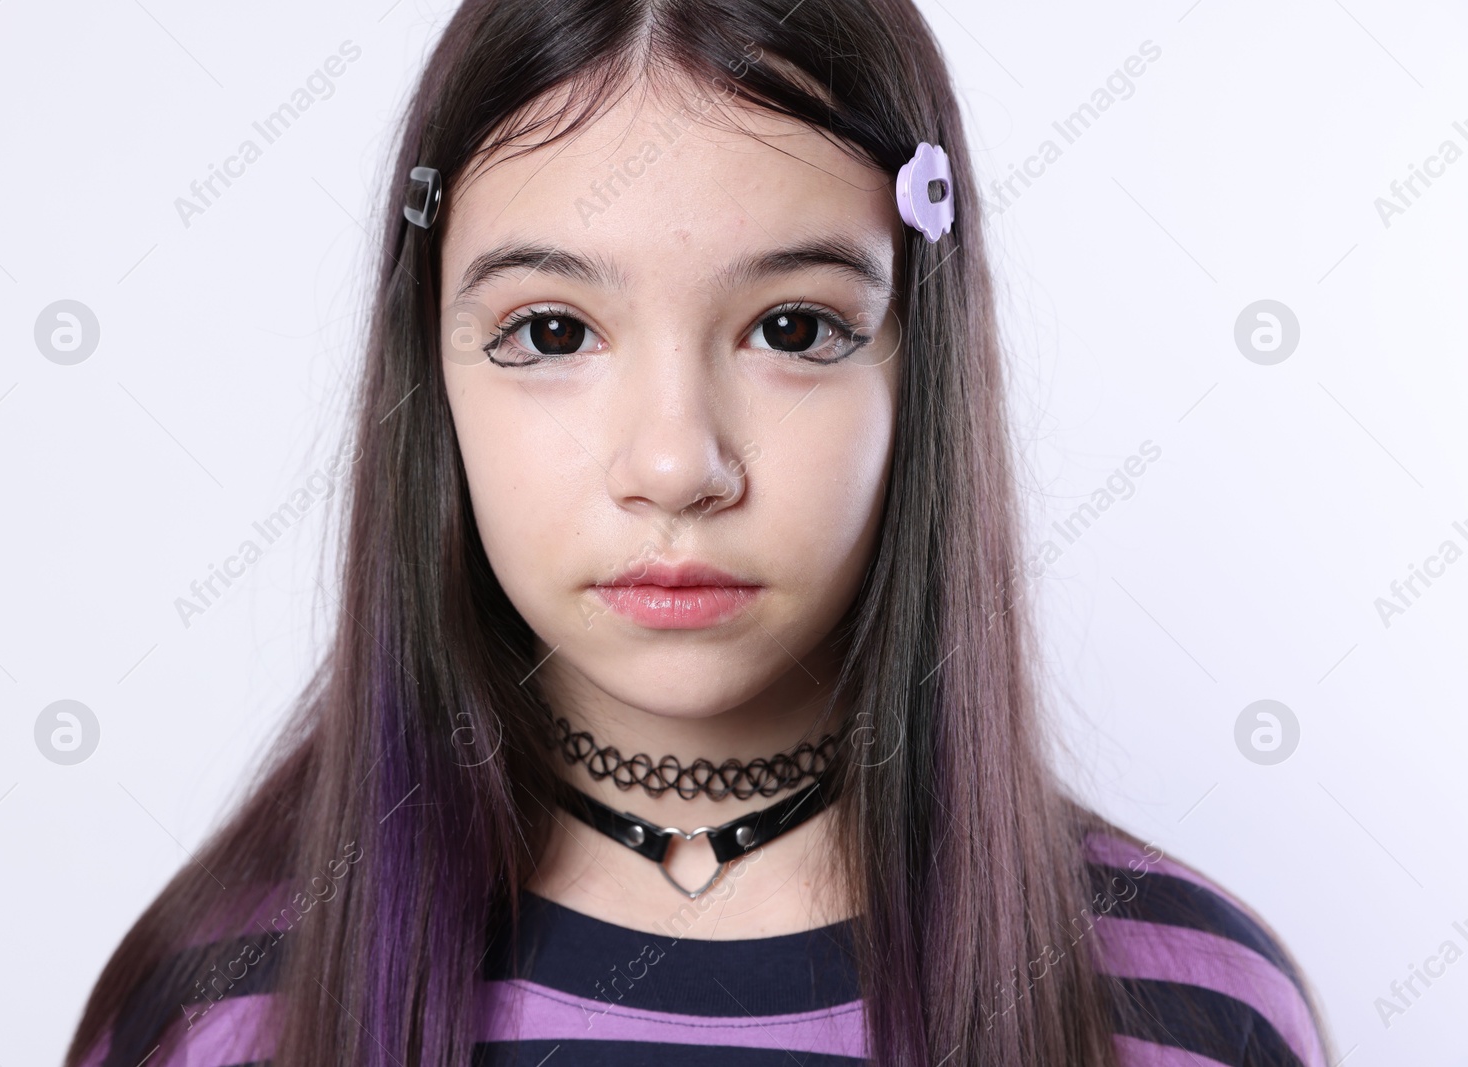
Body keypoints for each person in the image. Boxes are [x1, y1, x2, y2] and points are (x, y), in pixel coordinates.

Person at [65, 1, 1333, 1064]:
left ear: (921, 371)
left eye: (793, 330)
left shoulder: (1188, 1008)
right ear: (430, 378)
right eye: (552, 333)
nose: (676, 462)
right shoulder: (223, 1008)